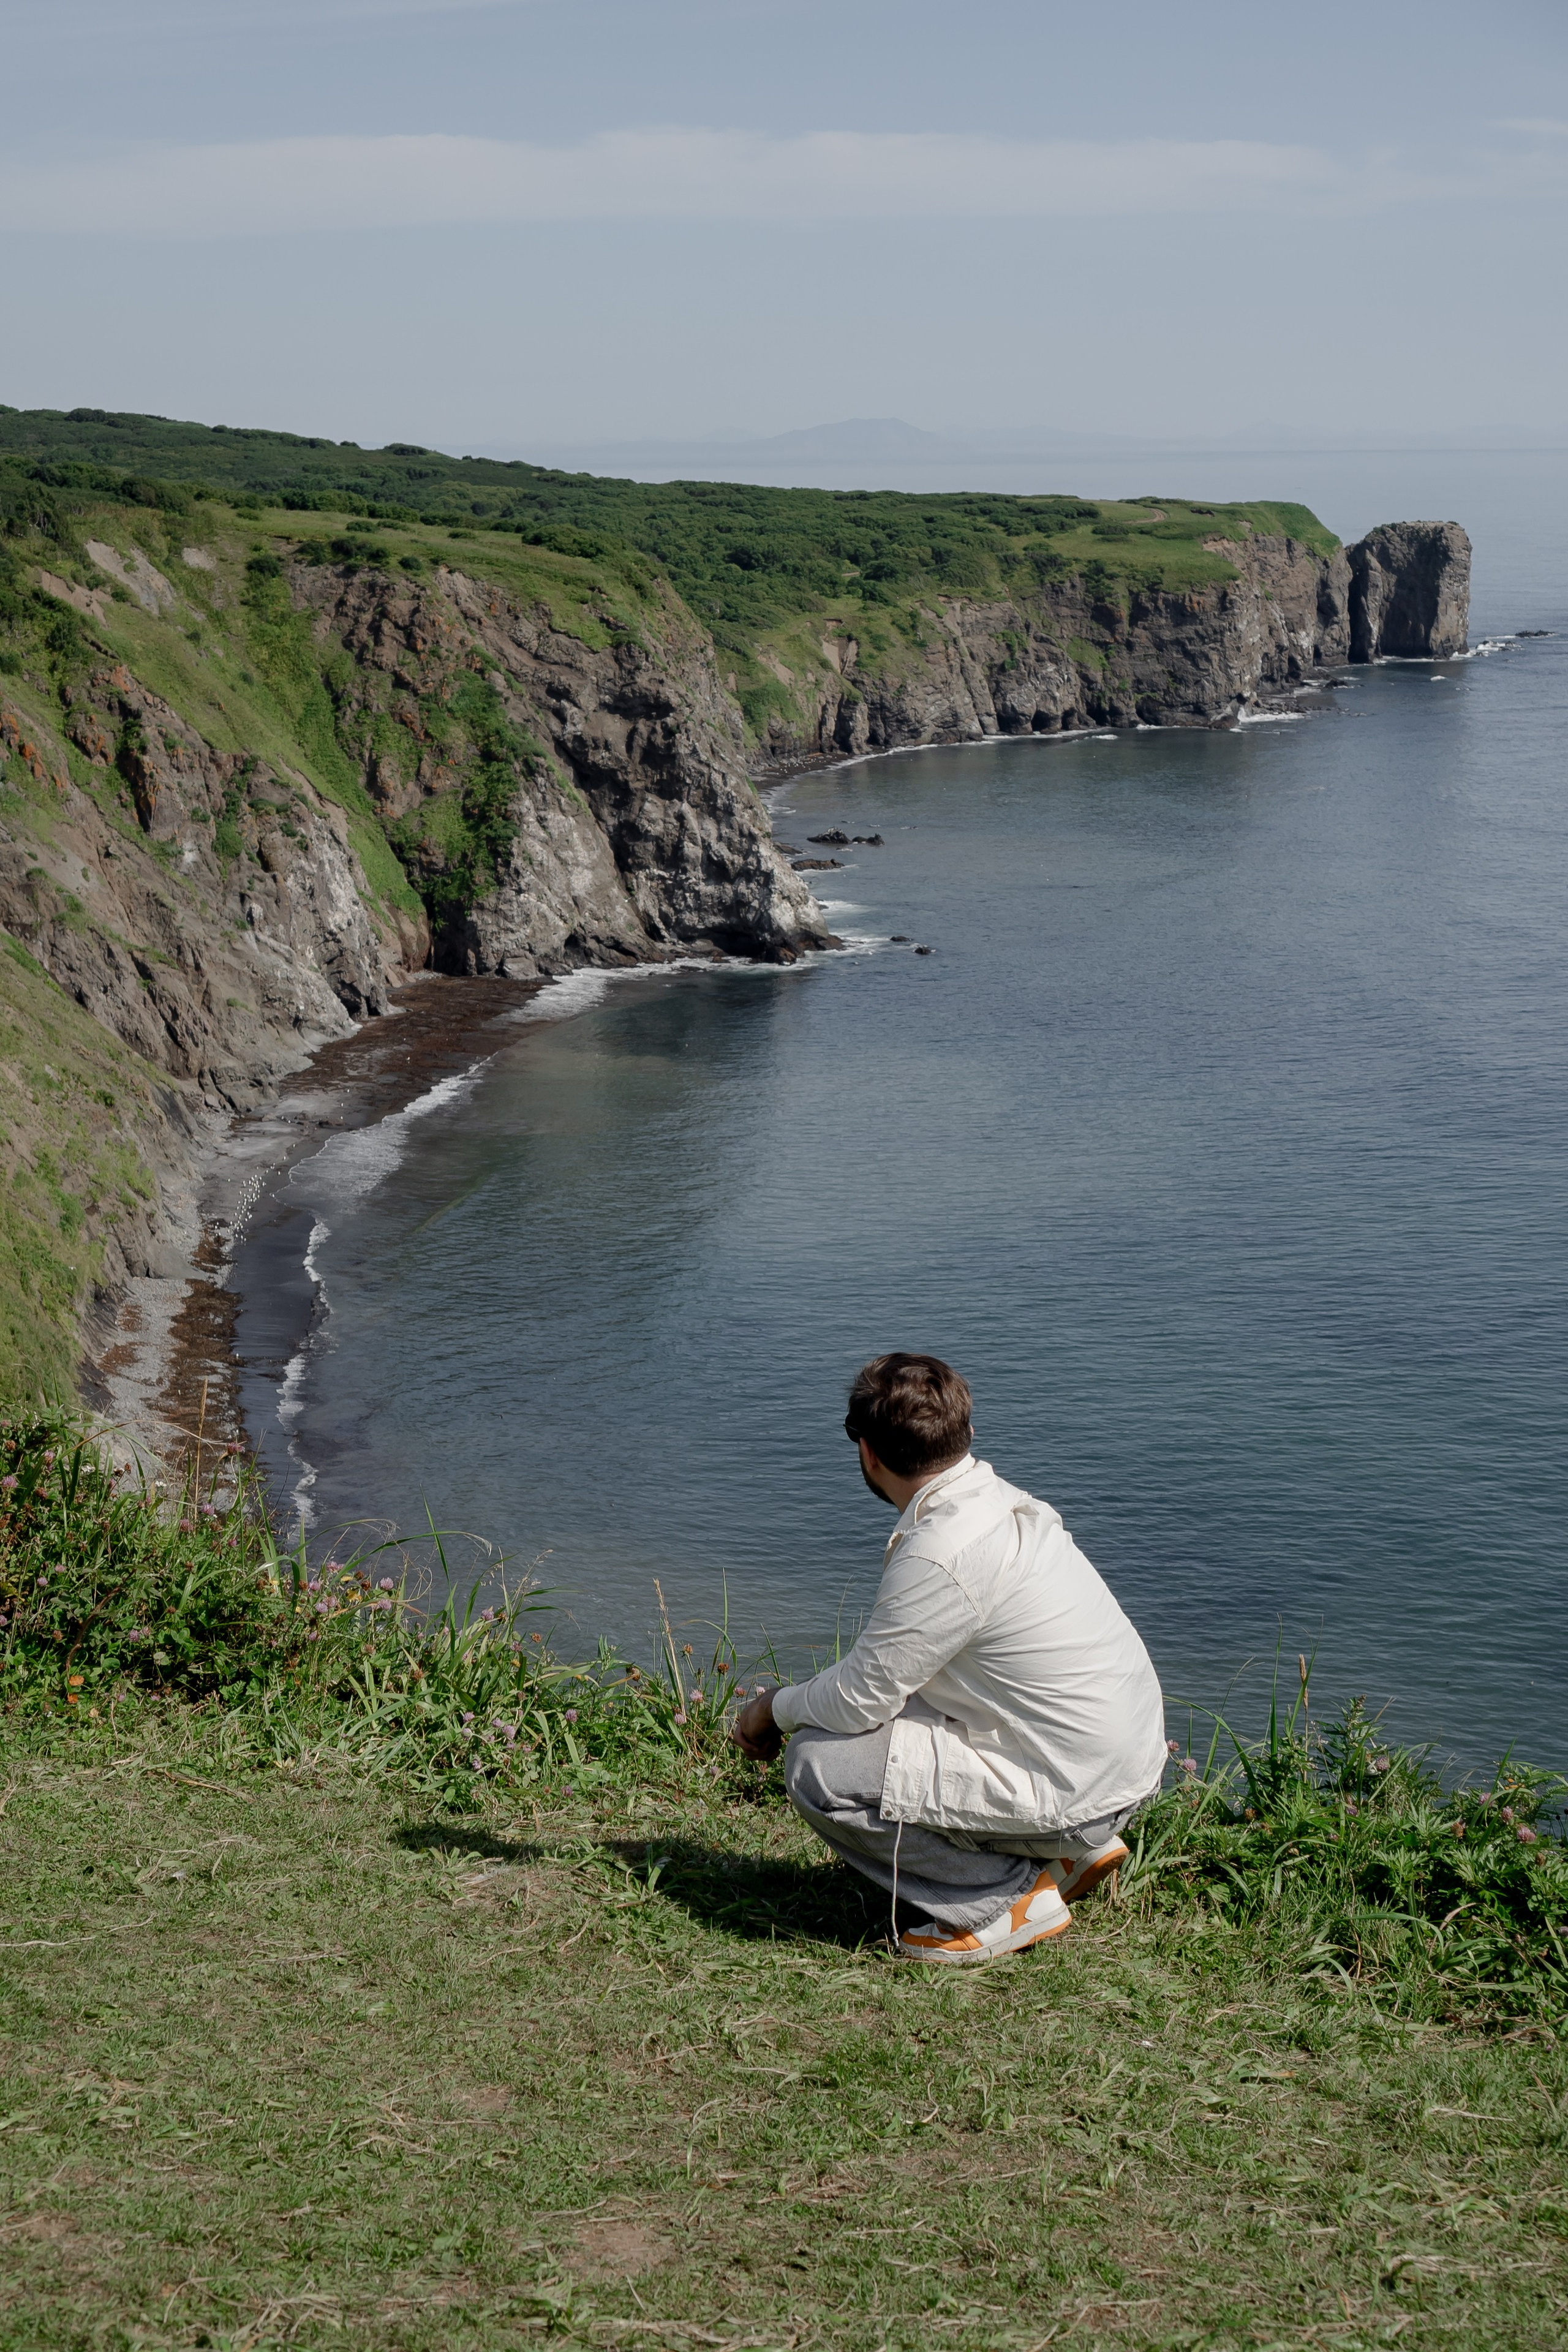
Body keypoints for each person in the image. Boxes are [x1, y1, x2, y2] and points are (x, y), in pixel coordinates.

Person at [730, 1353, 1167, 1964]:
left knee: (817, 1766)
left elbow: (858, 1700)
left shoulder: (940, 1551)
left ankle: (1000, 1902)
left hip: (1079, 1794)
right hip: (1119, 1770)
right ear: (965, 1433)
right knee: (898, 1709)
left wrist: (771, 1709)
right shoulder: (1002, 1504)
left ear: (868, 1455)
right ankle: (1063, 1855)